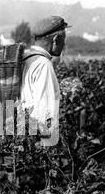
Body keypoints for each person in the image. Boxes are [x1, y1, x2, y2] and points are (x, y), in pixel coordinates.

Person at [20, 16, 69, 146]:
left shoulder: (25, 59)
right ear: (55, 39)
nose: (64, 45)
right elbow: (46, 110)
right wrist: (48, 144)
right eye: (63, 40)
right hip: (35, 138)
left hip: (21, 132)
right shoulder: (43, 65)